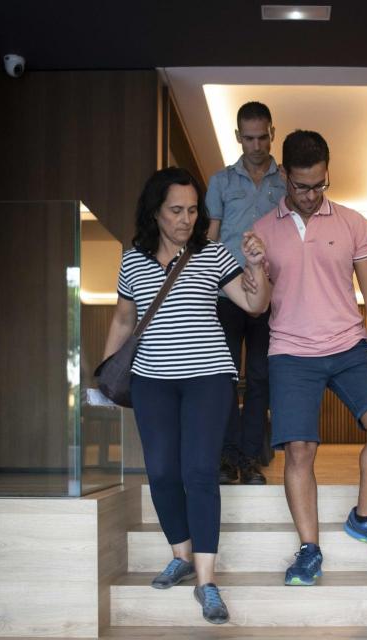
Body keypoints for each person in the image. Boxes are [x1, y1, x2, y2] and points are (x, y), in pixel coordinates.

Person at [102, 167, 270, 624]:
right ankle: (180, 552)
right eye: (176, 210)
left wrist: (256, 264)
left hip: (208, 378)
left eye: (193, 210)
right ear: (155, 211)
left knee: (198, 471)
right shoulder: (132, 260)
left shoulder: (213, 254)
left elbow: (256, 305)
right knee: (160, 471)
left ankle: (206, 581)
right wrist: (104, 375)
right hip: (152, 379)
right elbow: (122, 319)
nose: (186, 219)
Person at [251, 130, 367, 587]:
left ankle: (364, 516)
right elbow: (258, 307)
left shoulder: (352, 222)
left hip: (348, 346)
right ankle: (309, 549)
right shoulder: (262, 232)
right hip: (290, 352)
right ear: (284, 176)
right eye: (301, 186)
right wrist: (252, 265)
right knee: (300, 450)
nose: (311, 194)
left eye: (320, 184)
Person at [206, 101, 285, 485]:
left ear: (273, 132)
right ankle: (227, 457)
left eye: (263, 137)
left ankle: (251, 459)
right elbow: (211, 237)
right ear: (238, 137)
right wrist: (205, 285)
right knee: (223, 376)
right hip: (227, 294)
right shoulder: (220, 181)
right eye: (248, 138)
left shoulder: (285, 181)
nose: (256, 145)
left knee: (260, 378)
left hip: (270, 295)